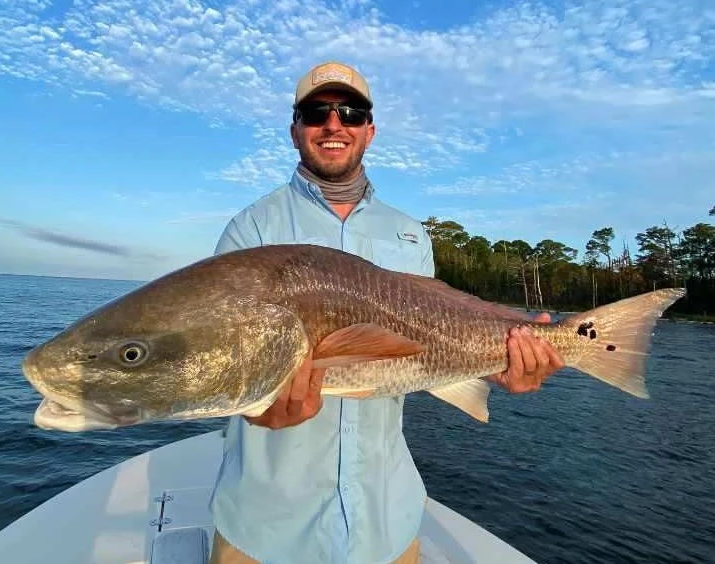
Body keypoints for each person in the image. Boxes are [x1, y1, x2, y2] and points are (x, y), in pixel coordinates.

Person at [208, 61, 565, 564]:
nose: (334, 125)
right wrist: (256, 406)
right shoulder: (250, 231)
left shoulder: (410, 233)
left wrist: (500, 362)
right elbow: (227, 361)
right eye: (316, 113)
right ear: (295, 130)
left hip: (386, 523)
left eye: (350, 113)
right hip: (265, 526)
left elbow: (434, 341)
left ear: (369, 131)